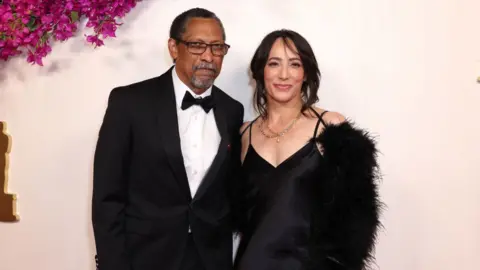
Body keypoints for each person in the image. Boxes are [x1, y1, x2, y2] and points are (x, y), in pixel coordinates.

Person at [92, 8, 244, 270]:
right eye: (197, 46)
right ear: (174, 47)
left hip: (209, 259)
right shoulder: (129, 103)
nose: (208, 56)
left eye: (217, 47)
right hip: (144, 258)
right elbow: (107, 198)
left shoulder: (232, 110)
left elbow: (227, 191)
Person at [233, 29, 382, 270]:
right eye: (274, 64)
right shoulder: (244, 134)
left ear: (305, 73)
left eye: (294, 64)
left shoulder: (330, 128)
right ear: (261, 71)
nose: (284, 75)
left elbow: (357, 223)